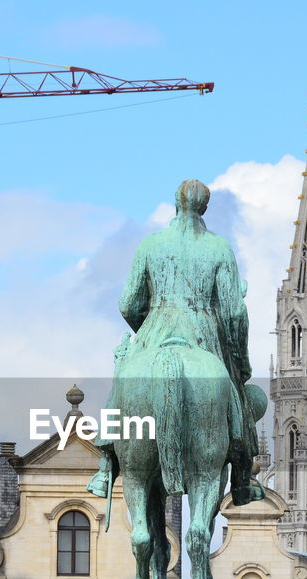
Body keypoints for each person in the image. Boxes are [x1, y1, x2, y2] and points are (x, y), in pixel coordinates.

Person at [87, 179, 263, 504]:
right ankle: (242, 479)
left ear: (176, 204)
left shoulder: (151, 245)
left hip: (154, 331)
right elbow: (235, 312)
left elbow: (128, 303)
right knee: (238, 401)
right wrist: (241, 361)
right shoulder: (219, 248)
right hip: (204, 338)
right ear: (205, 208)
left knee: (122, 382)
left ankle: (105, 464)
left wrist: (147, 331)